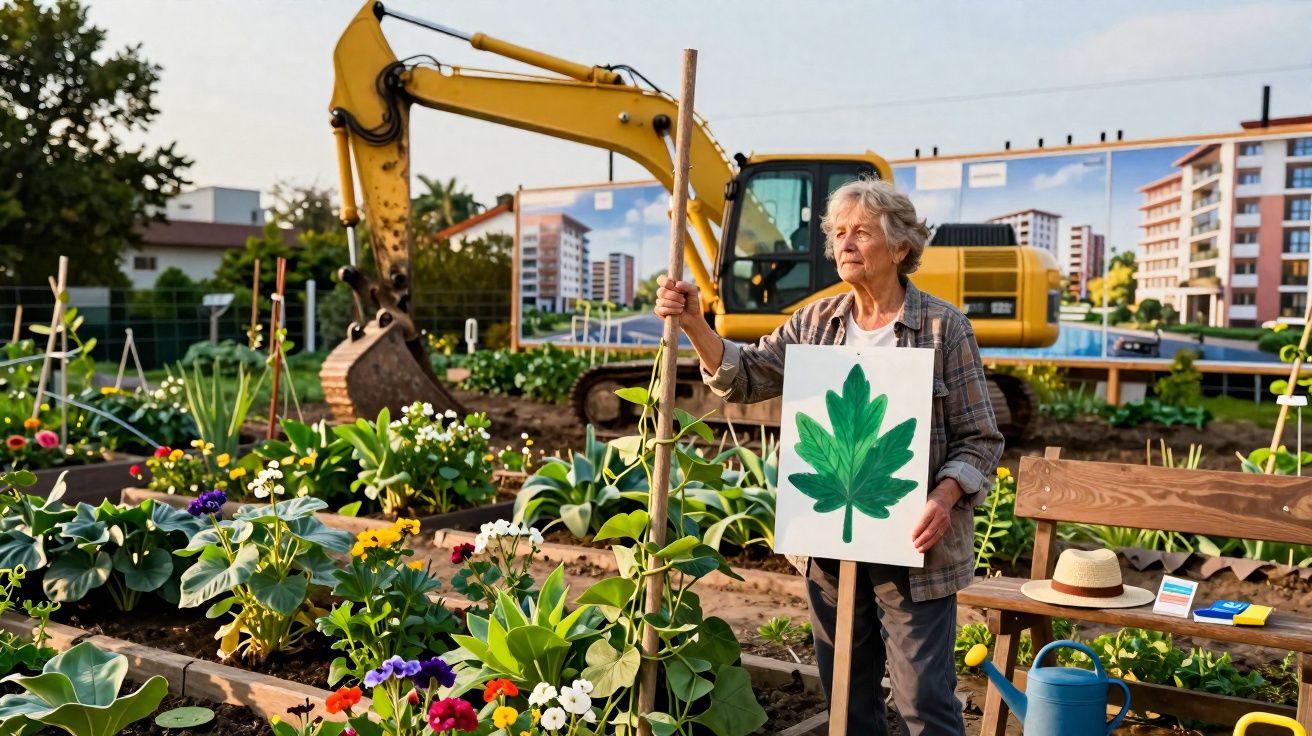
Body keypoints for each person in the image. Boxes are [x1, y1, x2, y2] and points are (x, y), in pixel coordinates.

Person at [654, 178, 1003, 736]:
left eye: (861, 233)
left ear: (900, 247)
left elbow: (980, 438)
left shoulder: (943, 327)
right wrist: (696, 322)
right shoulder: (817, 322)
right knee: (846, 698)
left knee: (924, 702)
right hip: (830, 547)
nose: (845, 244)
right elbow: (744, 376)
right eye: (839, 233)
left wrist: (945, 494)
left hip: (913, 549)